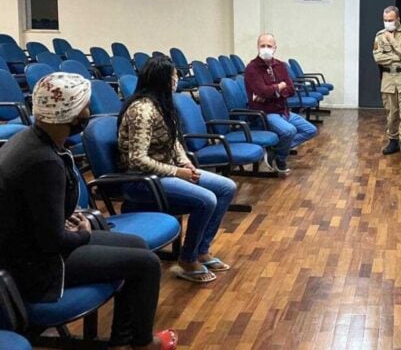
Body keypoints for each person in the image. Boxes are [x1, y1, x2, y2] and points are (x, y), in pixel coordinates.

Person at [0, 72, 177, 350]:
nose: (89, 112)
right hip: (38, 266)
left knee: (137, 244)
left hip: (35, 246)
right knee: (146, 264)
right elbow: (52, 242)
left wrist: (64, 220)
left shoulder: (34, 140)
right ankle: (142, 343)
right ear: (69, 114)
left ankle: (123, 339)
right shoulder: (42, 162)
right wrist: (82, 233)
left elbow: (34, 211)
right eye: (85, 105)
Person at [118, 57, 236, 284]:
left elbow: (174, 143)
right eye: (174, 76)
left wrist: (185, 163)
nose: (177, 80)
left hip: (166, 172)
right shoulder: (142, 110)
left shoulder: (162, 104)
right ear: (162, 79)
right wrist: (176, 172)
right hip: (143, 180)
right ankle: (187, 259)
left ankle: (201, 250)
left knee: (226, 187)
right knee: (207, 199)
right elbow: (137, 159)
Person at [244, 33, 317, 173]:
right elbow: (262, 92)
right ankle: (281, 159)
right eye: (262, 45)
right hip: (266, 113)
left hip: (283, 110)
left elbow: (290, 90)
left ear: (275, 48)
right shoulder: (252, 68)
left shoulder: (280, 66)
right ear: (257, 47)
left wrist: (274, 91)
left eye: (269, 46)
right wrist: (279, 87)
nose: (266, 48)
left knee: (310, 130)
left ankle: (275, 149)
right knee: (289, 131)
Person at [373, 5, 401, 161]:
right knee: (391, 113)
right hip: (388, 78)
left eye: (390, 20)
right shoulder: (379, 35)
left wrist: (392, 41)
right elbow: (378, 58)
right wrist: (397, 57)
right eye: (385, 20)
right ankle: (393, 141)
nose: (387, 23)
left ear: (398, 19)